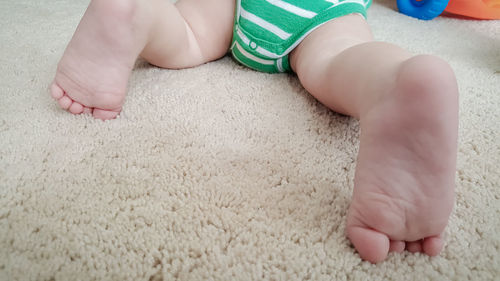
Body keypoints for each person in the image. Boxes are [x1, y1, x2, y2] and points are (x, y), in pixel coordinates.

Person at [50, 0, 458, 263]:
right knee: (338, 59)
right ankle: (389, 84)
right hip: (322, 10)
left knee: (186, 34)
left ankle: (135, 12)